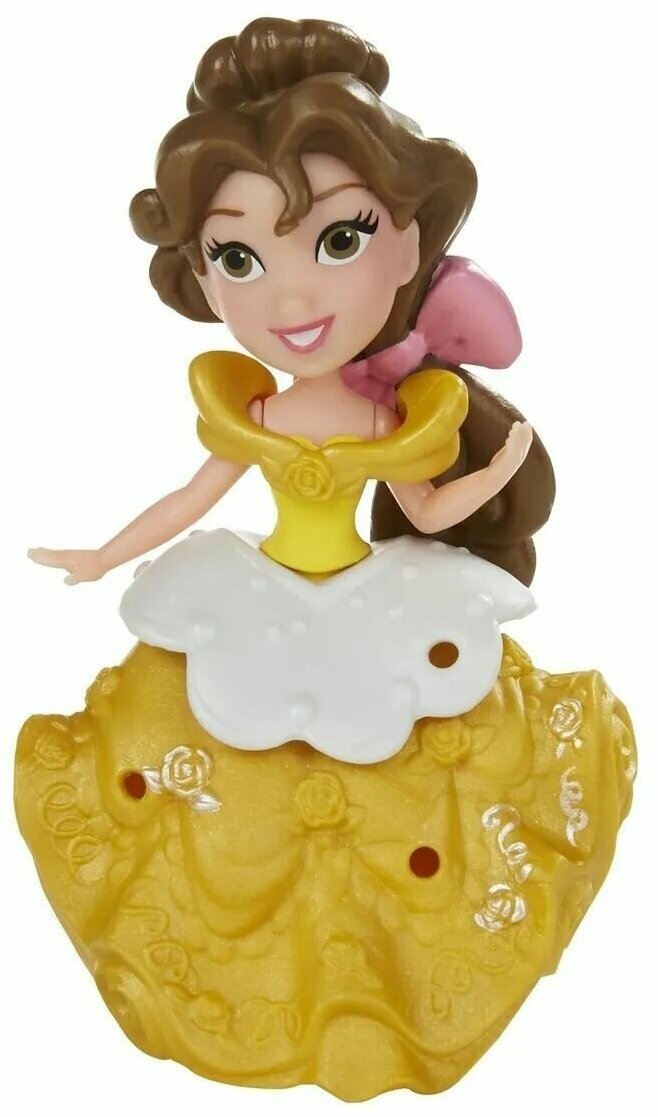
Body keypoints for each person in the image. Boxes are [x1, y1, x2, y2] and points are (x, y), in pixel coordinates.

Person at [16, 17, 635, 1101]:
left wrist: (501, 471)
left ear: (409, 239)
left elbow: (425, 502)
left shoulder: (392, 413)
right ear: (200, 275)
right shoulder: (252, 410)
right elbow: (195, 496)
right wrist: (105, 552)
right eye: (239, 258)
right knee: (201, 753)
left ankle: (387, 986)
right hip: (251, 596)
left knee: (414, 758)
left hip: (376, 601)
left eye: (339, 239)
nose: (291, 300)